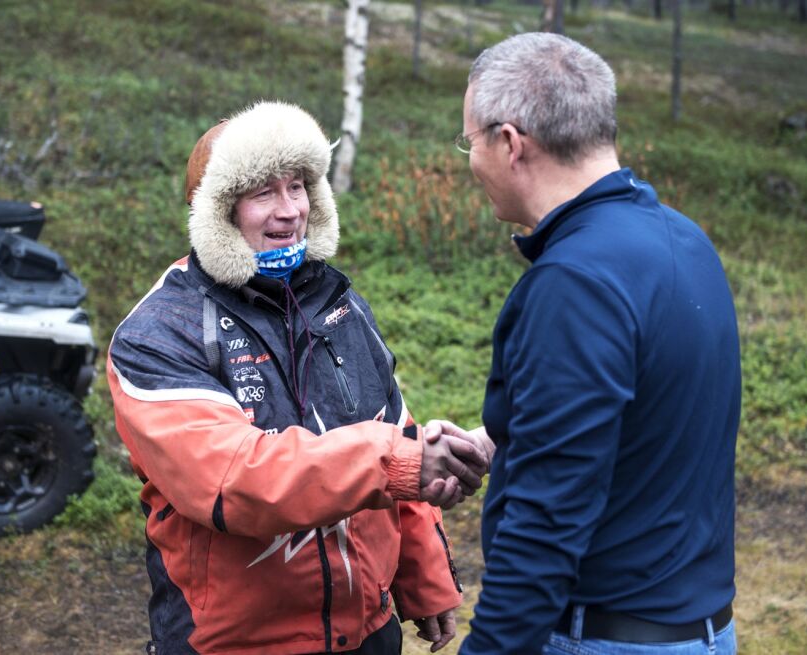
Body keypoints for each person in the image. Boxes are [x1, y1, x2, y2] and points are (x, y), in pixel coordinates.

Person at [108, 100, 489, 655]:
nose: (289, 212)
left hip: (367, 632)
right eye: (263, 193)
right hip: (238, 644)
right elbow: (236, 480)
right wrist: (398, 461)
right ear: (218, 211)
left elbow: (394, 427)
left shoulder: (339, 305)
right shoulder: (160, 332)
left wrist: (424, 579)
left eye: (298, 187)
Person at [448, 33, 742, 654]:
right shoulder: (683, 241)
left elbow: (546, 520)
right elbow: (643, 426)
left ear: (509, 143)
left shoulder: (575, 283)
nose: (469, 159)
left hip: (604, 637)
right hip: (701, 632)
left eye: (468, 140)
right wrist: (503, 440)